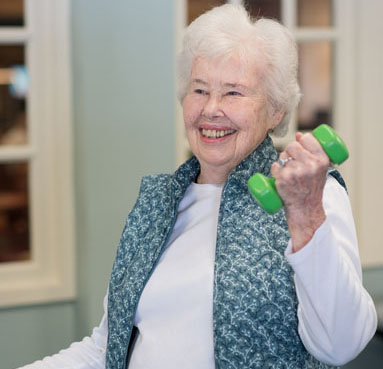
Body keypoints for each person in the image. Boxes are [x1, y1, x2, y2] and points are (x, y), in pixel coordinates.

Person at [19, 4, 377, 369]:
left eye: (234, 93)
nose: (211, 109)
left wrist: (304, 211)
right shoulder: (157, 203)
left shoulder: (310, 196)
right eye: (200, 89)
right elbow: (107, 348)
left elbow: (340, 345)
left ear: (276, 110)